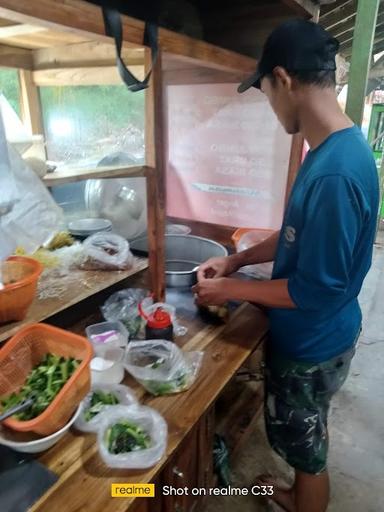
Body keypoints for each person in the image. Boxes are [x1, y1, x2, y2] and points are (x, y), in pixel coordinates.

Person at [192, 19, 379, 512]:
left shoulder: (336, 172)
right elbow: (298, 232)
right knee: (306, 433)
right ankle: (298, 493)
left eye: (266, 91)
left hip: (313, 343)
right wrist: (239, 258)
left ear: (284, 79)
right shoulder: (336, 149)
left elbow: (313, 290)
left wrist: (233, 288)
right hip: (323, 334)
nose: (270, 105)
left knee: (308, 449)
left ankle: (304, 501)